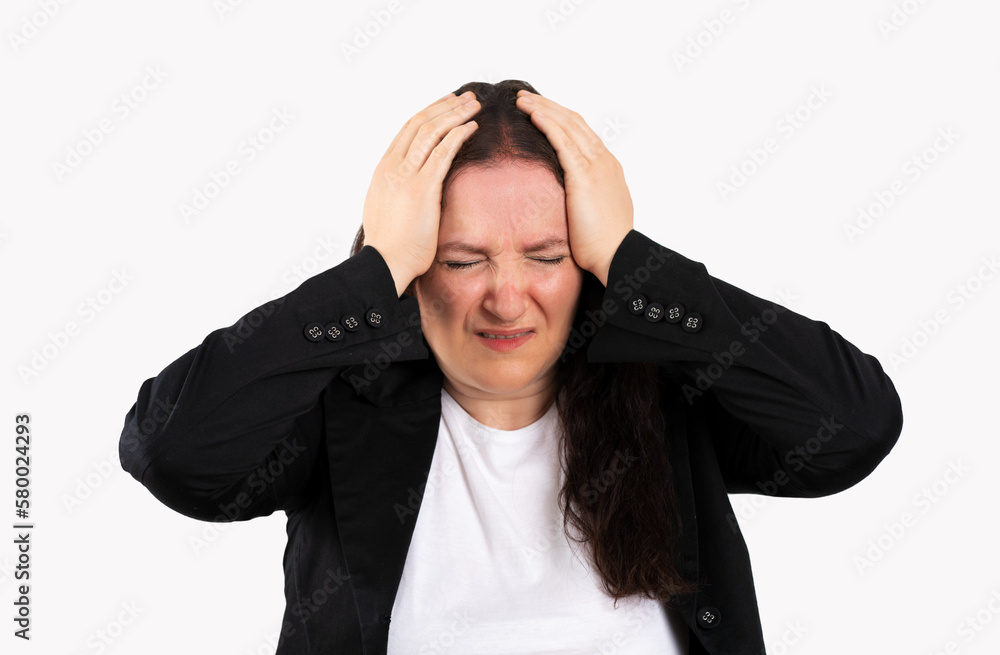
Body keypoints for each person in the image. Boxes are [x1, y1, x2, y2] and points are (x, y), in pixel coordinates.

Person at [119, 80, 904, 654]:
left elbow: (853, 426)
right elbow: (174, 452)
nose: (506, 297)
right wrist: (371, 272)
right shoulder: (338, 404)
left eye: (547, 256)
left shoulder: (672, 391)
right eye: (462, 260)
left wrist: (634, 262)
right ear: (416, 268)